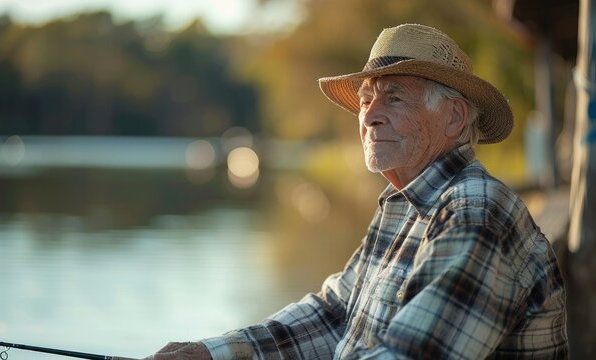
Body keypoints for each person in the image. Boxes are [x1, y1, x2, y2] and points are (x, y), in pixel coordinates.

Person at [146, 23, 568, 359]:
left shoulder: (476, 210)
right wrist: (209, 355)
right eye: (367, 100)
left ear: (454, 117)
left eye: (395, 98)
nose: (370, 117)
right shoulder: (405, 205)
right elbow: (336, 313)